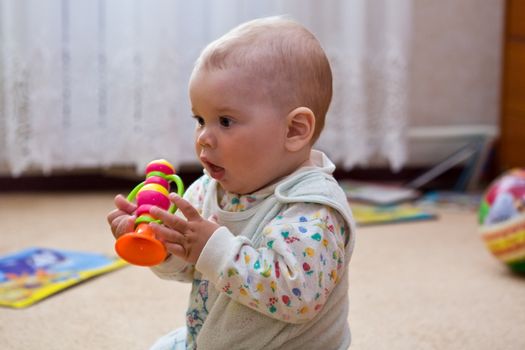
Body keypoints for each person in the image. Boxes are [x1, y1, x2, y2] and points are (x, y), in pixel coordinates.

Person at [107, 16, 356, 350]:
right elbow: (191, 268)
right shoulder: (208, 190)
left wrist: (212, 248)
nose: (204, 138)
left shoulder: (312, 209)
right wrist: (161, 244)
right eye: (199, 120)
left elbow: (298, 297)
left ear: (294, 130)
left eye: (225, 121)